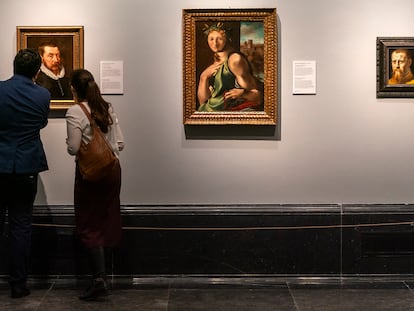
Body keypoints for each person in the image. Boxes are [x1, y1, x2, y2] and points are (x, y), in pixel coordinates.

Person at [65, 69, 125, 301]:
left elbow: (73, 147)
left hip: (90, 173)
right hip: (113, 170)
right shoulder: (106, 107)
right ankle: (102, 274)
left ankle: (99, 278)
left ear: (73, 88)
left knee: (88, 221)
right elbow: (120, 142)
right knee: (105, 216)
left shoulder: (74, 111)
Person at [0, 49, 50, 298]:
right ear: (37, 71)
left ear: (14, 66)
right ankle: (18, 284)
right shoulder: (43, 94)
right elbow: (41, 123)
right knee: (21, 226)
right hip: (26, 167)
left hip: (0, 164)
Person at [197, 22, 263, 112]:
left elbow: (257, 96)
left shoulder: (235, 60)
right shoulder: (215, 62)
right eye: (211, 39)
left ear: (227, 38)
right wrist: (203, 77)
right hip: (212, 112)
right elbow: (203, 103)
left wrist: (242, 94)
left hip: (231, 112)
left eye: (219, 39)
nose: (215, 44)